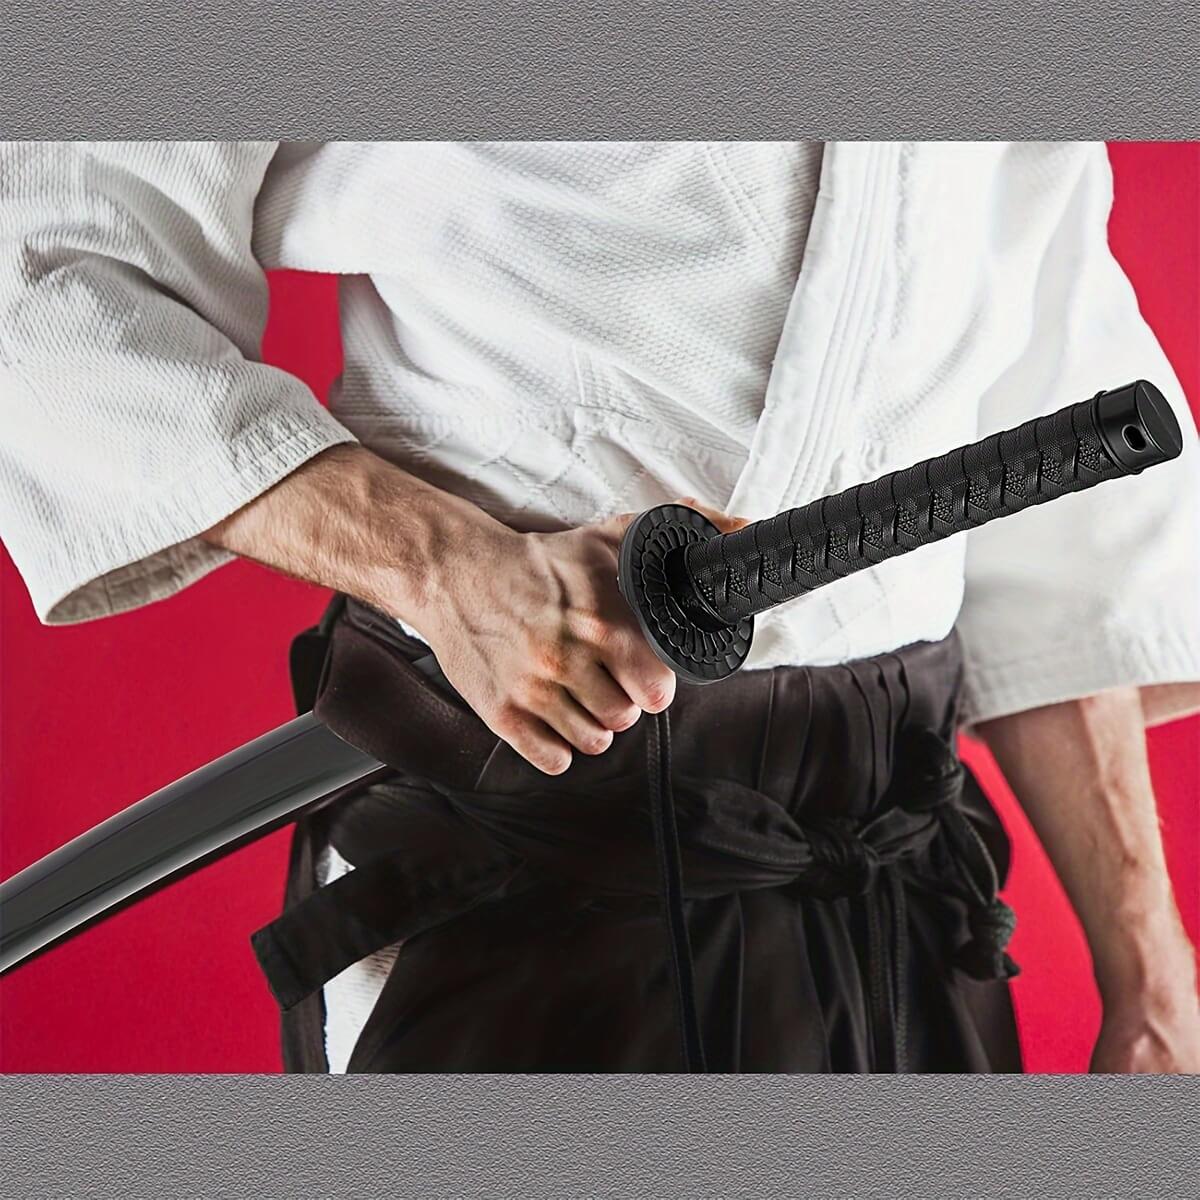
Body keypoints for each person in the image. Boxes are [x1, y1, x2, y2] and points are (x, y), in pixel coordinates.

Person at [1, 141, 1198, 1073]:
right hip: (523, 824)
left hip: (897, 885)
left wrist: (1151, 972)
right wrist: (445, 566)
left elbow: (1041, 411)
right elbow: (51, 272)